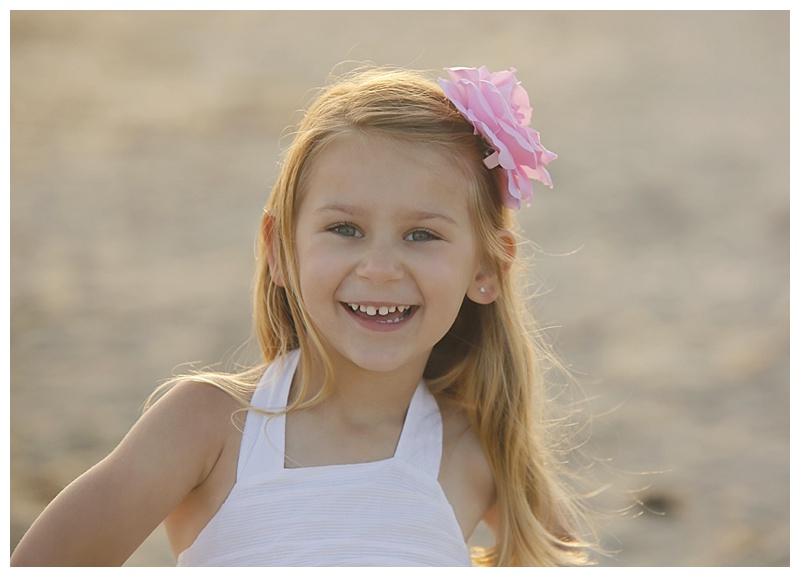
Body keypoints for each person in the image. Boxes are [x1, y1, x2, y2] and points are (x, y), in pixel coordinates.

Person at [11, 65, 595, 566]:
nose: (381, 267)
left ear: (486, 270)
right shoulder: (210, 426)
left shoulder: (477, 452)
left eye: (422, 234)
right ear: (280, 250)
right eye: (345, 229)